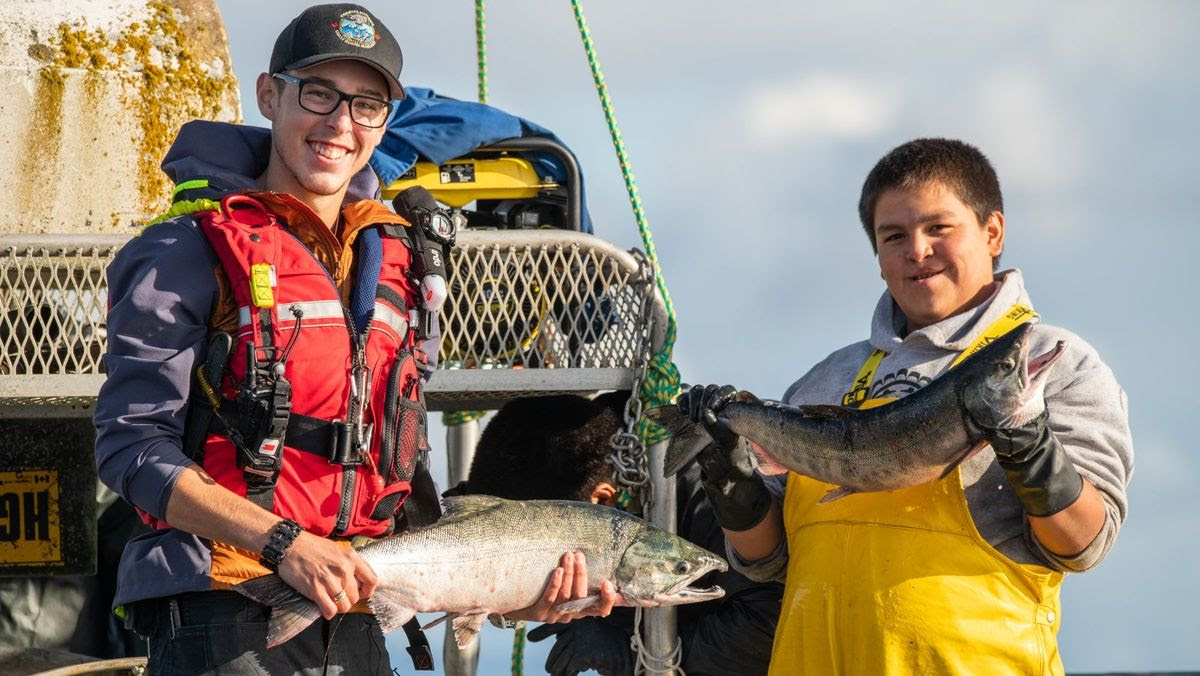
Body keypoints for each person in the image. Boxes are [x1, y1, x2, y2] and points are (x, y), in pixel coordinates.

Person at [93, 5, 613, 674]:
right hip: (224, 610)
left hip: (357, 620)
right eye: (319, 94)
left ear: (384, 124)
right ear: (268, 95)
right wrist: (285, 542)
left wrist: (517, 592)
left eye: (367, 105)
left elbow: (395, 488)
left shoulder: (398, 259)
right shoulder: (182, 250)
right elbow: (130, 449)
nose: (340, 123)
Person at [679, 138, 1133, 674]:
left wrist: (1031, 449)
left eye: (938, 227)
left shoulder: (1057, 362)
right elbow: (764, 561)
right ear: (877, 257)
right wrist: (736, 489)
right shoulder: (826, 378)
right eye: (894, 236)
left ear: (993, 232)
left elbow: (1084, 544)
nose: (917, 250)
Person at [463, 391, 783, 676]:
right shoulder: (566, 468)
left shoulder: (708, 492)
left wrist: (634, 655)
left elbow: (772, 621)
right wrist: (510, 605)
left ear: (602, 501)